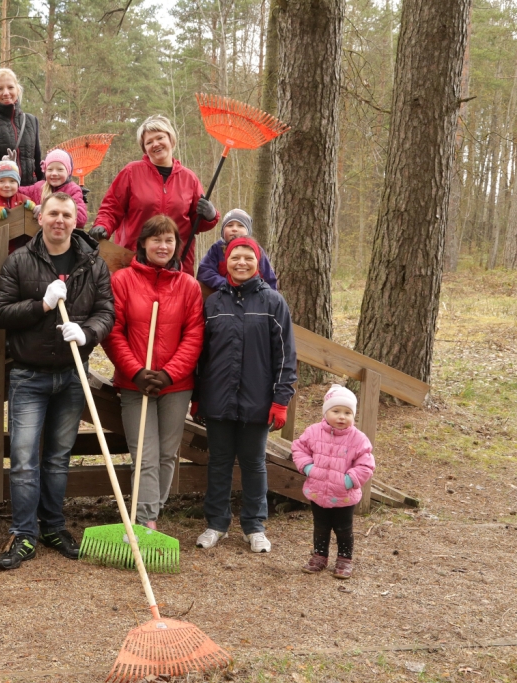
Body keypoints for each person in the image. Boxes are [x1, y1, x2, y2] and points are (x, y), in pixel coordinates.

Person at [0, 192, 115, 570]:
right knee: (25, 459)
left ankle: (52, 526)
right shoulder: (19, 261)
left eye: (67, 214)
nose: (59, 220)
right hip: (29, 375)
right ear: (40, 217)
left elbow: (106, 311)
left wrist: (87, 332)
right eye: (53, 213)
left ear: (76, 220)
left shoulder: (92, 263)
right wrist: (41, 305)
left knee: (58, 458)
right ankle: (24, 533)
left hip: (73, 373)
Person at [192, 236, 296, 553]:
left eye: (248, 257)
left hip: (257, 400)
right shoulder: (213, 303)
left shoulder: (273, 302)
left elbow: (285, 357)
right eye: (236, 256)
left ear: (258, 263)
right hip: (218, 399)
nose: (241, 262)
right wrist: (198, 395)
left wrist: (281, 400)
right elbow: (202, 355)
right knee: (219, 462)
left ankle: (255, 526)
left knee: (253, 463)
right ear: (227, 263)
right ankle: (216, 524)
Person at [102, 215, 204, 528]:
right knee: (144, 455)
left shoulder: (188, 285)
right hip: (135, 383)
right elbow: (113, 331)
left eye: (169, 240)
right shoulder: (122, 281)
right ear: (143, 243)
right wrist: (136, 371)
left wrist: (169, 374)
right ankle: (146, 523)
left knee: (166, 455)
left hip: (176, 384)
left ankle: (149, 515)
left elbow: (194, 334)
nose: (162, 246)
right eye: (156, 239)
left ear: (177, 246)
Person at [89, 115, 218, 275]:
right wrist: (102, 226)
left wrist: (210, 216)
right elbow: (111, 208)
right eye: (149, 142)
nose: (155, 144)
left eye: (160, 138)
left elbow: (197, 223)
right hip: (133, 261)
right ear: (144, 148)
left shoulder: (189, 178)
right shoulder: (131, 172)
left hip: (176, 264)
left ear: (171, 139)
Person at [292, 385, 376, 579]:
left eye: (347, 412)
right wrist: (307, 468)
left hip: (344, 494)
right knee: (320, 525)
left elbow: (366, 464)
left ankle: (345, 559)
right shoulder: (313, 432)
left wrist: (349, 481)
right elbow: (299, 448)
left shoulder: (358, 439)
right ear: (325, 412)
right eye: (336, 411)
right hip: (318, 490)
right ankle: (319, 556)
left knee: (343, 528)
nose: (341, 417)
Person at [197, 209, 278, 292]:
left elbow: (269, 279)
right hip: (223, 294)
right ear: (222, 231)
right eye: (230, 225)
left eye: (240, 225)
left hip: (252, 295)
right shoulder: (217, 248)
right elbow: (204, 272)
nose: (234, 229)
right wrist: (226, 284)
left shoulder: (256, 250)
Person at [19, 148, 88, 229]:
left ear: (68, 171)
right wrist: (9, 169)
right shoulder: (39, 187)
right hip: (37, 237)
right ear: (45, 171)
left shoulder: (73, 190)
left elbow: (81, 219)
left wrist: (48, 209)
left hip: (62, 237)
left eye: (60, 169)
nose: (54, 173)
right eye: (50, 169)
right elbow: (15, 191)